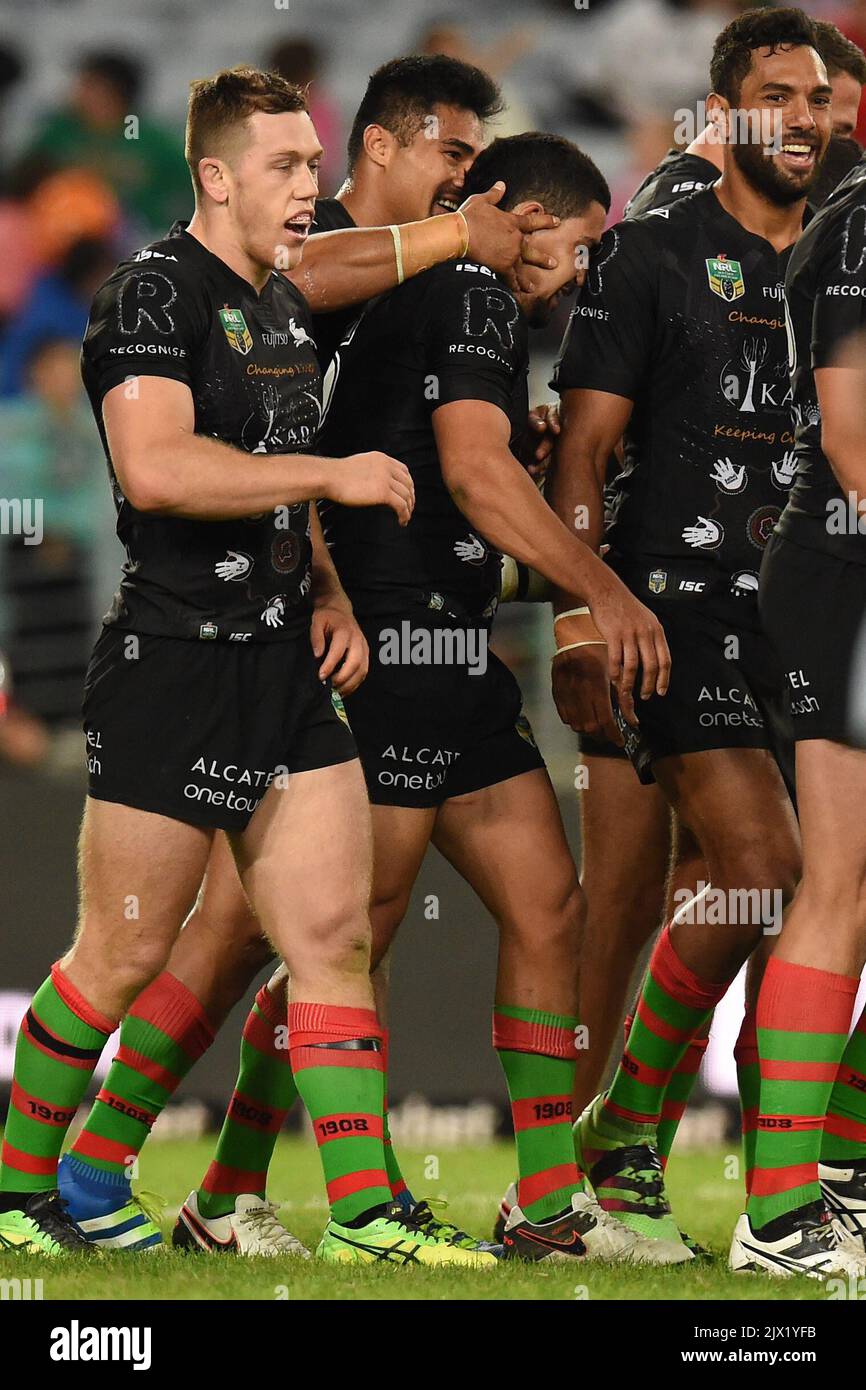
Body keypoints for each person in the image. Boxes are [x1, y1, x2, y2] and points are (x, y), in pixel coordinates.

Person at [52, 55, 564, 1257]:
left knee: (334, 935)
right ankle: (56, 1181)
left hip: (305, 655)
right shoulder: (176, 287)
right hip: (186, 656)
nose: (307, 186)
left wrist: (325, 575)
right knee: (144, 947)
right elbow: (161, 471)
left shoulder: (282, 305)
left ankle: (372, 1213)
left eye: (308, 158)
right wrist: (335, 477)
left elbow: (290, 466)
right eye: (286, 164)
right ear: (222, 174)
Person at [245, 130, 676, 1267]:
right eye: (578, 247)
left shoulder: (433, 292)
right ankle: (264, 1186)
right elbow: (475, 475)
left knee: (546, 904)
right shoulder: (477, 287)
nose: (582, 275)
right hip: (382, 654)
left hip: (448, 651)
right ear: (527, 220)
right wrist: (602, 595)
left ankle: (544, 1202)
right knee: (345, 935)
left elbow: (459, 471)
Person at [546, 8, 855, 1271]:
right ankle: (610, 1142)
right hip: (665, 612)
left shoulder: (842, 242)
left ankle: (630, 1141)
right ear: (720, 108)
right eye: (778, 96)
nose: (806, 119)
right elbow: (580, 448)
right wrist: (575, 612)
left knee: (756, 885)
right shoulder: (655, 250)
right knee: (758, 860)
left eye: (822, 99)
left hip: (802, 599)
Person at [729, 151, 866, 1274]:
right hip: (844, 575)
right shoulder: (860, 227)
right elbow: (852, 439)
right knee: (839, 879)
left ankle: (841, 1170)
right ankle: (778, 1216)